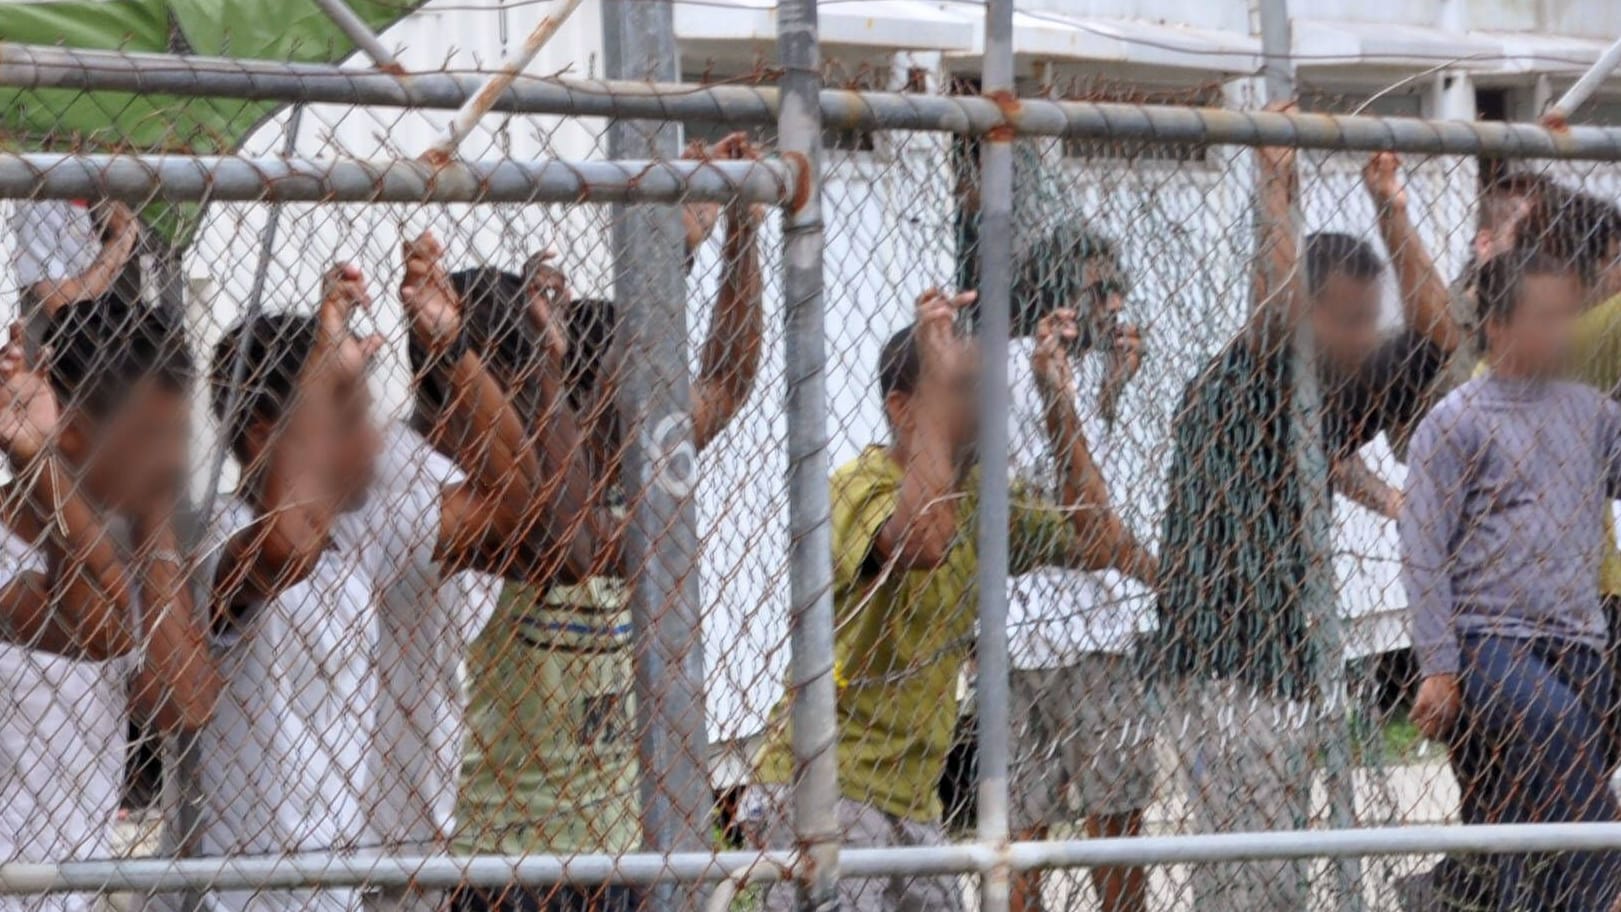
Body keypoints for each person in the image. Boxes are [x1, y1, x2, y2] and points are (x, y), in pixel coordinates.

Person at [197, 239, 594, 912]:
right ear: (265, 433)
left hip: (343, 890)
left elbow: (521, 508)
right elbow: (286, 544)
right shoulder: (215, 538)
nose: (371, 438)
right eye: (341, 415)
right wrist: (327, 360)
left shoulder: (363, 529)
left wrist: (452, 350)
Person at [748, 286, 1151, 912]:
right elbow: (923, 539)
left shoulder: (985, 495)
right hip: (827, 788)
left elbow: (1097, 539)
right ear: (907, 411)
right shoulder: (856, 486)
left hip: (913, 801)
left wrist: (1056, 404)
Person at [454, 132, 765, 912]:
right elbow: (574, 535)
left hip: (622, 846)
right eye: (625, 399)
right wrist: (668, 254)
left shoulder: (635, 479)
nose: (646, 421)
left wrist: (741, 227)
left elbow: (727, 379)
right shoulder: (505, 491)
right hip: (508, 861)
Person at [1152, 129, 1455, 912]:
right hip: (1226, 661)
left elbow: (1439, 335)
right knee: (1250, 878)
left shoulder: (1333, 377)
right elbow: (1271, 317)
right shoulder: (1248, 375)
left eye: (1368, 317)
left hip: (1296, 656)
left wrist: (1390, 209)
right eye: (1347, 318)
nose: (1364, 336)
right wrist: (1275, 186)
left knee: (1288, 864)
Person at [1403, 248, 1621, 912]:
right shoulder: (1455, 421)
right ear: (1497, 326)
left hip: (1578, 635)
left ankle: (1534, 893)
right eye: (1542, 317)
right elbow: (1421, 548)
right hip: (1488, 639)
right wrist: (1438, 665)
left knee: (1544, 785)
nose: (1560, 331)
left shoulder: (1589, 412)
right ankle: (1610, 888)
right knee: (1554, 724)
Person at [0, 297, 217, 912]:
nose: (174, 458)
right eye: (150, 435)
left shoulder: (148, 556)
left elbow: (183, 704)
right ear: (69, 424)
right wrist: (40, 465)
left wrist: (155, 523)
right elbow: (93, 624)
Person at [1003, 222, 1158, 912]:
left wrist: (1112, 390)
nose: (1114, 305)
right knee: (1113, 823)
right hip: (1082, 632)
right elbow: (1084, 518)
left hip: (1019, 634)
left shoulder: (1056, 368)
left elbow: (1077, 467)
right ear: (1059, 299)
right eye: (1100, 291)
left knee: (1020, 825)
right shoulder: (1018, 369)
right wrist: (1163, 577)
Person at [10, 200, 141, 318]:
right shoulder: (36, 212)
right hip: (80, 321)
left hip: (105, 303)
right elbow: (63, 304)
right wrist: (123, 236)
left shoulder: (101, 201)